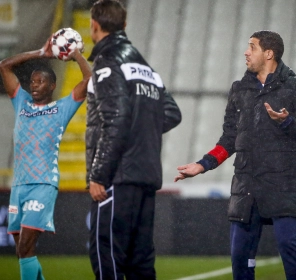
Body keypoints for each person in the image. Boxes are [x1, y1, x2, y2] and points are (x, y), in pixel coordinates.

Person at [174, 30, 296, 280]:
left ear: (269, 53)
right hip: (246, 187)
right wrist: (202, 165)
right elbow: (229, 139)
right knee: (240, 258)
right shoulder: (239, 89)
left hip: (283, 185)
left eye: (251, 47)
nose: (246, 52)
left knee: (289, 247)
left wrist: (287, 122)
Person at [86, 1, 181, 279]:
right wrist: (141, 128)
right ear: (124, 26)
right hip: (146, 175)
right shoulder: (144, 66)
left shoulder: (108, 61)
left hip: (117, 176)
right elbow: (172, 113)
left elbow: (116, 119)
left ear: (94, 25)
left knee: (108, 255)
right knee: (140, 261)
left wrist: (99, 175)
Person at [0, 38, 91, 279]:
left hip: (42, 184)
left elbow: (89, 81)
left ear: (52, 86)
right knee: (23, 253)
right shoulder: (22, 103)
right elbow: (4, 66)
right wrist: (40, 52)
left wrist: (76, 56)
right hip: (18, 186)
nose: (35, 86)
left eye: (41, 81)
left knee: (25, 247)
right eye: (32, 82)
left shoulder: (62, 109)